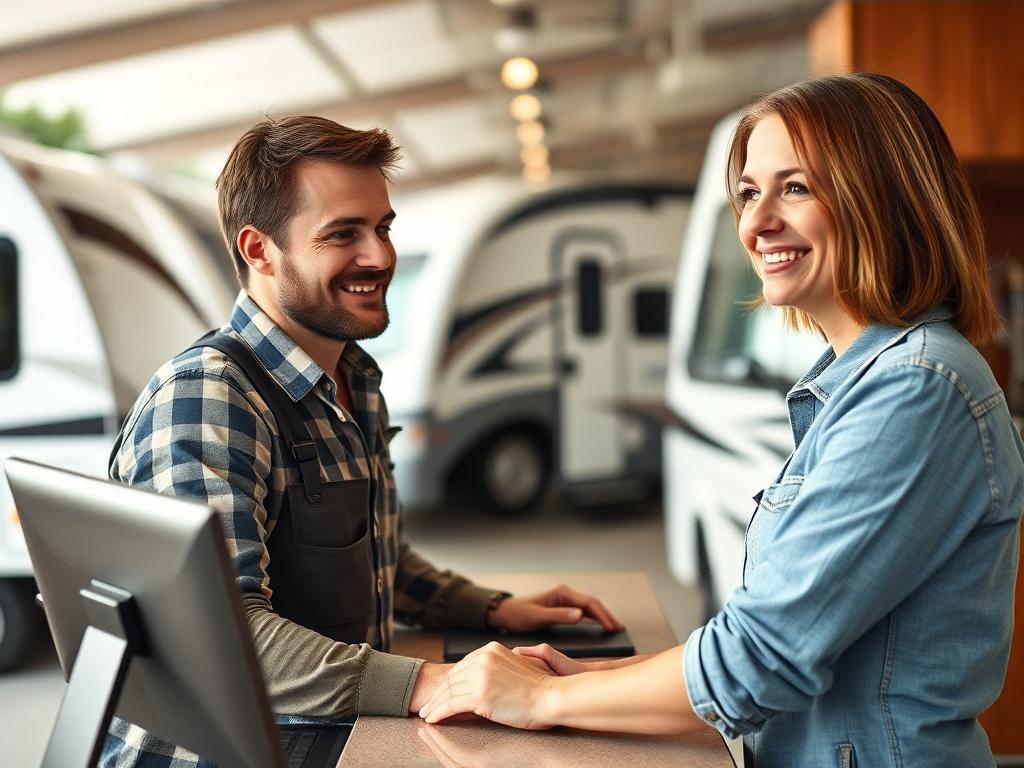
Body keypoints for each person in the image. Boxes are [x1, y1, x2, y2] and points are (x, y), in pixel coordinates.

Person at [417, 73, 1024, 767]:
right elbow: (764, 633)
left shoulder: (916, 390)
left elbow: (762, 657)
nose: (756, 222)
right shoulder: (866, 380)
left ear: (884, 195)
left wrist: (539, 701)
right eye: (747, 193)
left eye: (794, 188)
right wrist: (589, 678)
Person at [101, 116, 622, 766]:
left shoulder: (352, 377)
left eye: (383, 227)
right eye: (343, 234)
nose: (380, 257)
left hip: (324, 733)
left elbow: (378, 562)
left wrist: (493, 608)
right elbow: (222, 636)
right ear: (259, 250)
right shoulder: (209, 397)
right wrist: (433, 681)